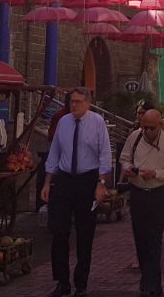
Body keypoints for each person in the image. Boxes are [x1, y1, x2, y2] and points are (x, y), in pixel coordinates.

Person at [40, 87, 112, 297]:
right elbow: (54, 153)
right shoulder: (63, 122)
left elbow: (105, 154)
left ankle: (81, 282)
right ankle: (62, 281)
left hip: (87, 181)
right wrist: (47, 182)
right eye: (72, 101)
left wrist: (101, 183)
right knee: (59, 230)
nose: (74, 105)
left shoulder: (97, 122)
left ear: (88, 103)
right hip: (64, 181)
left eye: (78, 102)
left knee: (85, 233)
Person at [119, 109, 164, 297]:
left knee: (154, 241)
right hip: (137, 195)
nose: (147, 131)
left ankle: (149, 286)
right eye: (144, 127)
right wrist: (129, 169)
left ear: (160, 125)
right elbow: (124, 158)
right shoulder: (135, 137)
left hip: (157, 195)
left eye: (151, 128)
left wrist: (156, 174)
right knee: (141, 240)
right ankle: (153, 283)